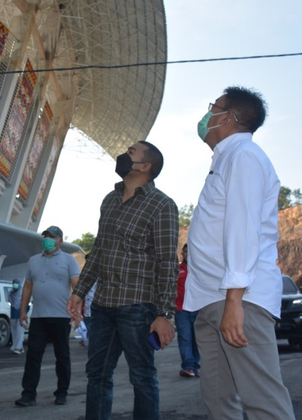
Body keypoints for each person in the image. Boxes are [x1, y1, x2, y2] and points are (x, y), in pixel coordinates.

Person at [184, 86, 295, 420]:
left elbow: (242, 227)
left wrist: (235, 300)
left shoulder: (244, 156)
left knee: (263, 401)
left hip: (238, 299)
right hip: (211, 300)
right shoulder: (225, 160)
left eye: (213, 108)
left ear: (228, 117)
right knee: (220, 402)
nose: (206, 116)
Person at [67, 141, 179, 420]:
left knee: (141, 376)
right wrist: (79, 292)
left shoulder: (162, 205)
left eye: (130, 152)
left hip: (138, 306)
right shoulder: (109, 199)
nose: (122, 155)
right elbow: (99, 251)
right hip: (104, 304)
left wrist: (165, 313)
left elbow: (167, 263)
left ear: (145, 166)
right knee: (97, 374)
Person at [15, 226, 80, 407]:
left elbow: (77, 286)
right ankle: (28, 394)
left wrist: (77, 313)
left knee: (62, 356)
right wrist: (23, 311)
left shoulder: (69, 260)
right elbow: (28, 287)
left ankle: (62, 392)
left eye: (52, 237)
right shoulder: (33, 260)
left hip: (61, 316)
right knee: (33, 356)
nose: (47, 240)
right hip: (38, 316)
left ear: (60, 240)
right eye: (45, 236)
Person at [175, 243, 200, 377]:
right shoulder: (177, 270)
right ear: (182, 254)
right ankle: (188, 367)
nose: (187, 255)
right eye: (185, 252)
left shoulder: (200, 270)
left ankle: (196, 366)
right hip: (181, 310)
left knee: (197, 339)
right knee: (185, 338)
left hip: (198, 309)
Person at [9, 278, 25, 354]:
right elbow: (10, 302)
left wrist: (24, 312)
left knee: (20, 331)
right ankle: (17, 346)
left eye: (16, 283)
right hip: (13, 314)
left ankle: (18, 348)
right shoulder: (11, 293)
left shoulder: (23, 292)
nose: (14, 284)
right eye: (13, 282)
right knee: (14, 331)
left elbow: (27, 303)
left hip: (21, 314)